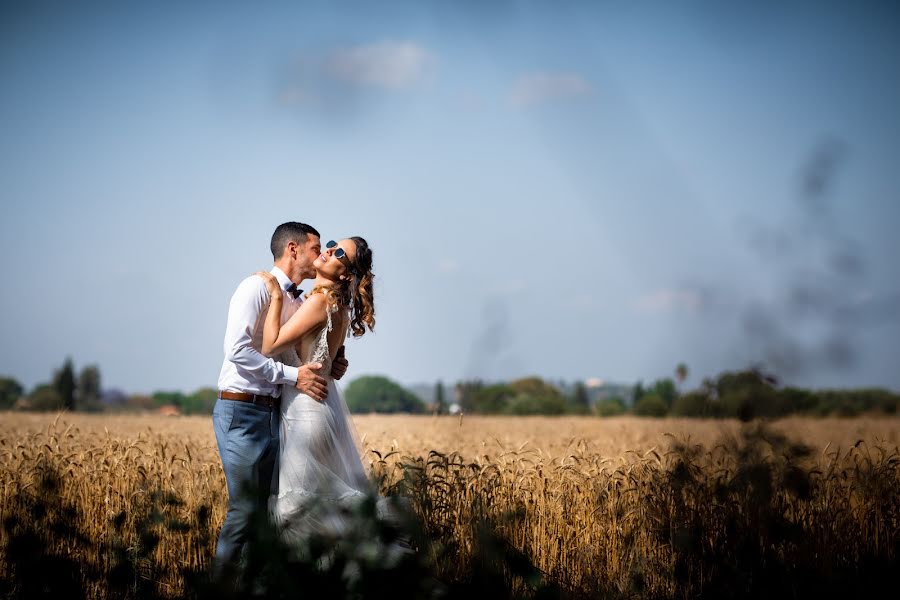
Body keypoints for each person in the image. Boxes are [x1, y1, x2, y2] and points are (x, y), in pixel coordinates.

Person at [213, 222, 349, 579]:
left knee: (275, 510)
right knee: (245, 511)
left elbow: (305, 349)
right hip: (242, 408)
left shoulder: (297, 299)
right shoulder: (256, 287)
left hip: (278, 414)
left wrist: (332, 360)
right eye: (317, 247)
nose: (321, 253)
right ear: (293, 249)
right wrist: (294, 376)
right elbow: (237, 351)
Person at [255, 236, 392, 545]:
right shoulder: (334, 303)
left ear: (345, 274)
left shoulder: (319, 301)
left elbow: (270, 345)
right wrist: (336, 364)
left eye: (339, 252)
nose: (329, 250)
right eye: (332, 243)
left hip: (307, 414)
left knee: (297, 511)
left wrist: (276, 297)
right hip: (319, 409)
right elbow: (332, 360)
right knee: (318, 509)